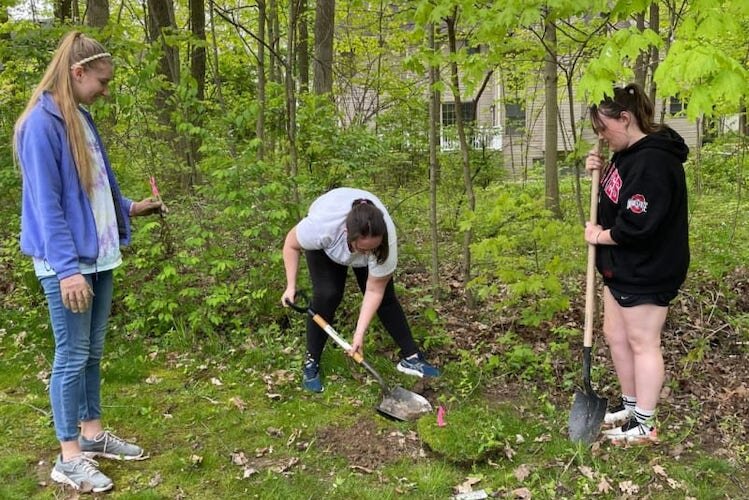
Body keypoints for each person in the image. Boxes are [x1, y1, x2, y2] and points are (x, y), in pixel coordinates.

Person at [14, 31, 165, 492]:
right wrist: (67, 270)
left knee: (92, 352)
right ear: (78, 73)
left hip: (99, 257)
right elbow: (48, 204)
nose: (105, 89)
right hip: (70, 264)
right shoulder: (40, 125)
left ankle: (93, 434)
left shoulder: (78, 114)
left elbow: (96, 183)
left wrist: (131, 207)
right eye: (101, 81)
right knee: (71, 355)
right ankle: (68, 455)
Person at [584, 83, 689, 445]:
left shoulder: (654, 161)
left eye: (603, 127)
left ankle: (645, 424)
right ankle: (630, 408)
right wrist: (597, 174)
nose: (601, 135)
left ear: (625, 118)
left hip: (649, 267)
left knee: (643, 342)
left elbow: (637, 225)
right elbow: (616, 201)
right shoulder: (627, 154)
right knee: (617, 337)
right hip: (622, 268)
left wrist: (599, 237)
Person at [281, 188, 440, 392]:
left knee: (386, 299)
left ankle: (411, 357)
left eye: (373, 249)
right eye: (364, 250)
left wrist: (358, 335)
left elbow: (374, 291)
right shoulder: (321, 227)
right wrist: (291, 286)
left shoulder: (385, 241)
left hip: (364, 241)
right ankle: (311, 363)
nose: (368, 254)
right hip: (328, 248)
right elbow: (291, 245)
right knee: (327, 295)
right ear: (348, 234)